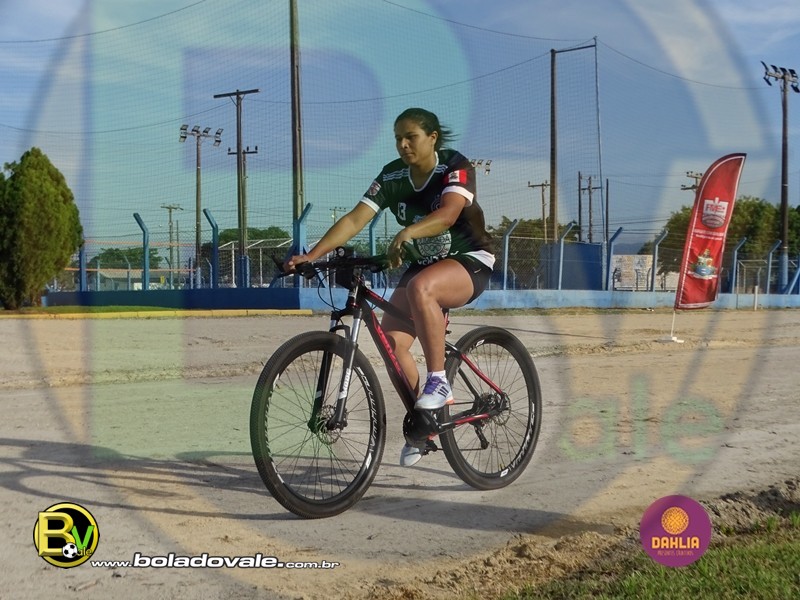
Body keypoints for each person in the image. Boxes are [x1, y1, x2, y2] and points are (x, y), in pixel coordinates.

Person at [285, 107, 495, 466]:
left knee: (421, 287)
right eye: (398, 138)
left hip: (469, 259)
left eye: (411, 137)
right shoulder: (392, 175)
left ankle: (438, 381)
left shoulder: (454, 165)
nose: (403, 145)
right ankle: (424, 427)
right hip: (425, 265)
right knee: (393, 344)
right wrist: (313, 254)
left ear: (432, 138)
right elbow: (355, 219)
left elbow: (448, 214)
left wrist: (407, 232)